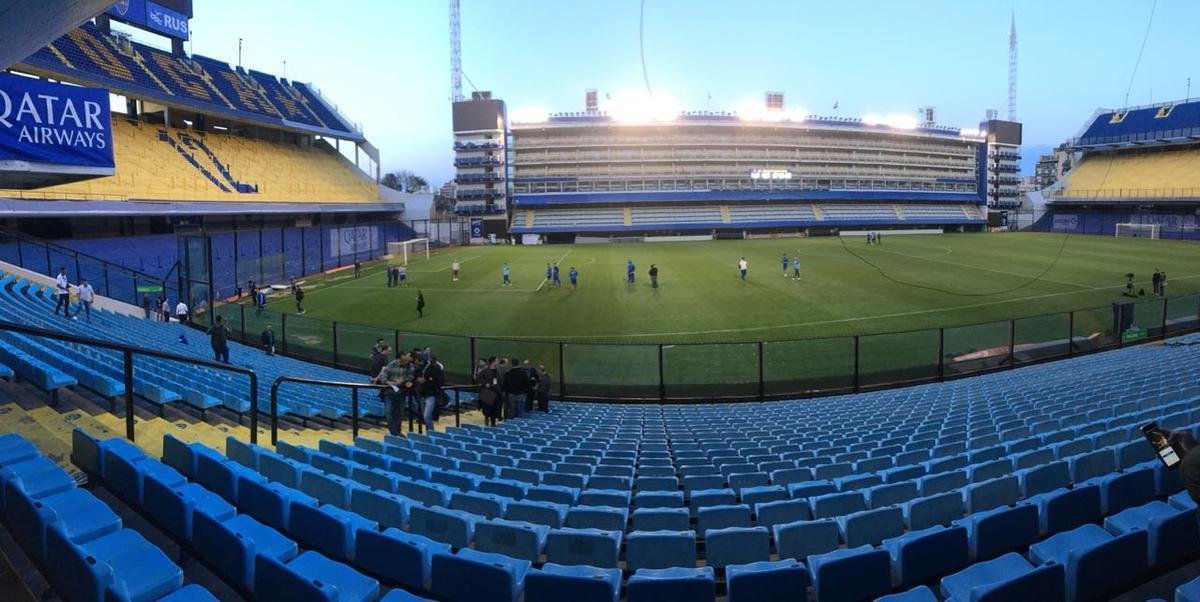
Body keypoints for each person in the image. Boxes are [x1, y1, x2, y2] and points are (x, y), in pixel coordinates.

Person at [376, 351, 411, 436]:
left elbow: (411, 376)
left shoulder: (409, 366)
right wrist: (389, 382)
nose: (407, 359)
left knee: (399, 413)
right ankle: (394, 432)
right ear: (401, 357)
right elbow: (382, 376)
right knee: (388, 412)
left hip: (401, 392)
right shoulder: (391, 365)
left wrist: (403, 381)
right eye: (405, 356)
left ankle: (397, 432)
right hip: (390, 392)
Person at [417, 354, 444, 432]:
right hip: (422, 393)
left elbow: (440, 382)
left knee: (426, 416)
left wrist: (426, 381)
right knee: (425, 416)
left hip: (431, 394)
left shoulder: (435, 368)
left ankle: (431, 433)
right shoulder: (421, 368)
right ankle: (430, 433)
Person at [476, 357, 501, 427]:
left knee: (495, 409)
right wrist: (485, 384)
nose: (498, 362)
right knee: (487, 409)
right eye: (496, 361)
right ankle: (487, 423)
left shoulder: (498, 370)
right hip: (488, 393)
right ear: (492, 362)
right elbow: (478, 379)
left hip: (496, 392)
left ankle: (493, 423)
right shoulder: (485, 371)